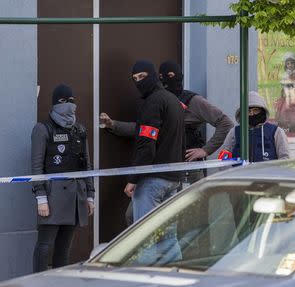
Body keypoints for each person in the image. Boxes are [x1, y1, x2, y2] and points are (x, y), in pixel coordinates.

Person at [100, 60, 233, 225]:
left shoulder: (191, 100)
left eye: (171, 76)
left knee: (186, 223)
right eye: (163, 76)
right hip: (169, 173)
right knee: (152, 224)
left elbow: (225, 123)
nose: (167, 80)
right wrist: (114, 125)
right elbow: (144, 130)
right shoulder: (162, 100)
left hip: (186, 170)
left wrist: (205, 150)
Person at [31, 84, 95, 272]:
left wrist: (90, 195)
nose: (69, 105)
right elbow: (36, 167)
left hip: (76, 198)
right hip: (52, 198)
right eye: (63, 101)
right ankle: (39, 283)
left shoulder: (80, 130)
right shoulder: (42, 129)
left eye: (71, 101)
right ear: (54, 104)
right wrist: (41, 198)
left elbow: (87, 166)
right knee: (44, 246)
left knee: (64, 248)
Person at [125, 60, 184, 222]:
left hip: (152, 180)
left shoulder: (152, 102)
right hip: (173, 179)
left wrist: (133, 179)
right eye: (135, 78)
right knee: (169, 238)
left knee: (145, 240)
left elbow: (147, 145)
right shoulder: (174, 101)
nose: (139, 81)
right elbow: (180, 139)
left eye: (142, 76)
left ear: (152, 75)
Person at [219, 91, 289, 162]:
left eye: (256, 110)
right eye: (248, 111)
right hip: (240, 172)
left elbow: (284, 158)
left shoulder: (276, 131)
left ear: (262, 111)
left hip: (267, 173)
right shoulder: (234, 132)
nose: (252, 114)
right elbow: (224, 159)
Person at [275, 52, 295, 137]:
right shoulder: (285, 75)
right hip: (287, 99)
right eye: (288, 63)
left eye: (292, 63)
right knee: (285, 115)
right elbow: (283, 88)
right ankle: (287, 134)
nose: (290, 65)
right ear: (286, 65)